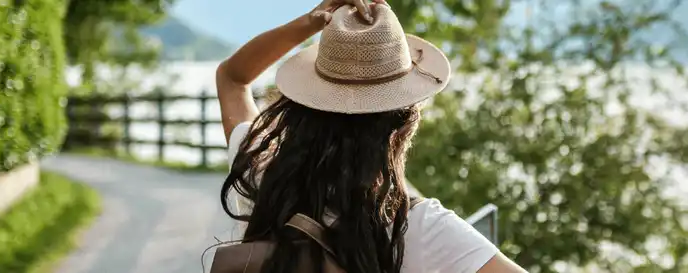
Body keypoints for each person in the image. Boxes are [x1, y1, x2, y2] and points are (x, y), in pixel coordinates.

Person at [213, 0, 526, 272]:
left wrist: (312, 20)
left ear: (305, 106)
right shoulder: (420, 226)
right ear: (404, 124)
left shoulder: (263, 175)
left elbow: (231, 77)